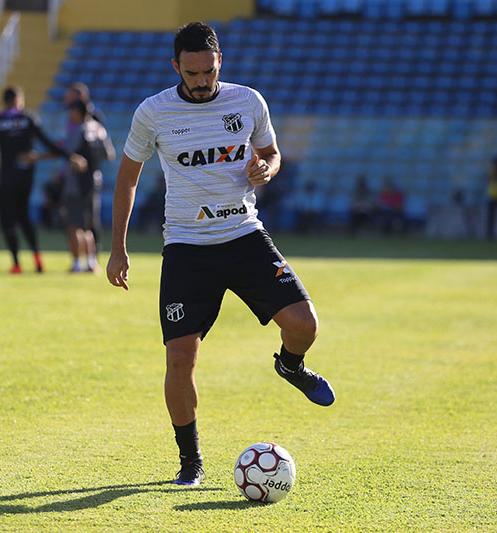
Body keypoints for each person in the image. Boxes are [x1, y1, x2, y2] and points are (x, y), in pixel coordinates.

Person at [106, 22, 334, 487]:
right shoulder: (153, 113)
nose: (202, 81)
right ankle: (190, 462)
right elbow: (127, 177)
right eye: (192, 73)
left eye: (209, 71)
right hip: (188, 248)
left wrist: (264, 169)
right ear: (176, 67)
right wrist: (117, 249)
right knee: (179, 359)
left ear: (219, 63)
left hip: (245, 236)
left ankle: (290, 366)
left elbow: (272, 154)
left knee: (305, 324)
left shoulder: (248, 101)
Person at [0, 86, 84, 273]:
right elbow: (47, 141)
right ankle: (37, 259)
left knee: (7, 221)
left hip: (7, 178)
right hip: (25, 178)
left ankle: (17, 263)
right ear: (19, 100)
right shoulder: (28, 118)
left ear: (5, 101)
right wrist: (69, 156)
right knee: (24, 217)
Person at [60, 99, 115, 272]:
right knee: (88, 225)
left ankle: (77, 263)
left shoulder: (78, 131)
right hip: (94, 182)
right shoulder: (99, 129)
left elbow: (66, 152)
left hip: (76, 183)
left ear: (77, 112)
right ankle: (91, 262)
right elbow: (109, 154)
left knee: (74, 225)